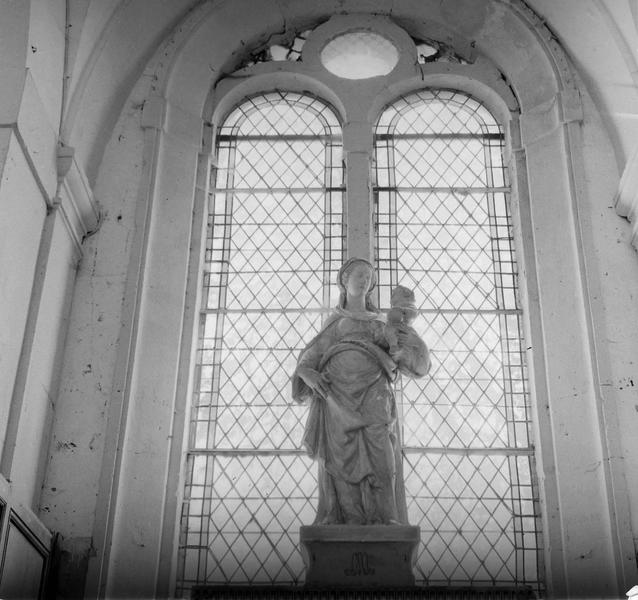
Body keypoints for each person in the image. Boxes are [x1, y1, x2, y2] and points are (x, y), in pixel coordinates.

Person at [292, 258, 430, 525]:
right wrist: (306, 372)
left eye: (369, 276)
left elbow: (409, 358)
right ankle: (350, 520)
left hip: (374, 394)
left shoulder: (380, 322)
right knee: (340, 460)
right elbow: (311, 357)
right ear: (344, 280)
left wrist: (405, 344)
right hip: (335, 399)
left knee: (382, 456)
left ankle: (386, 518)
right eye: (359, 274)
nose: (364, 279)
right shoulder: (336, 323)